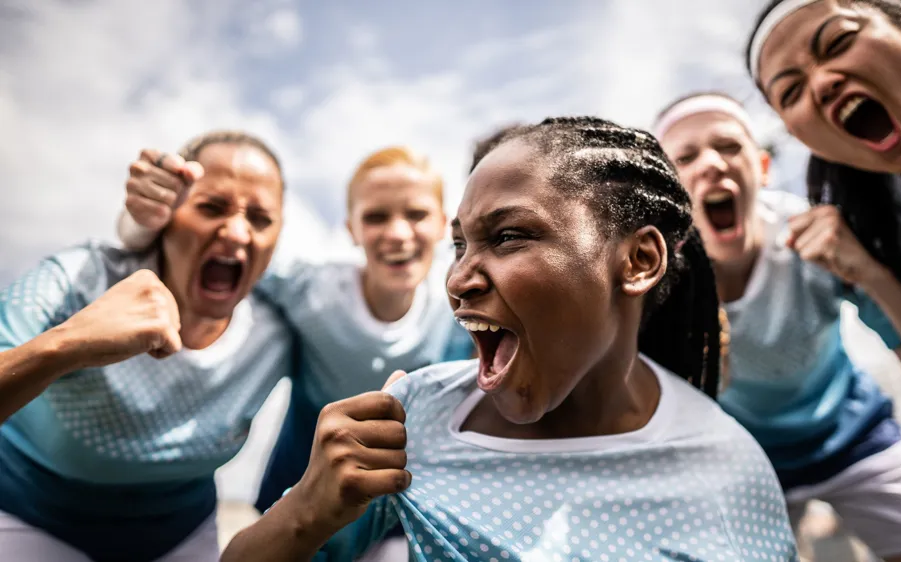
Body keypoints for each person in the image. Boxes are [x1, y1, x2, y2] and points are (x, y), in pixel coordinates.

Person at [218, 116, 800, 562]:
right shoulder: (418, 419)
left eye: (508, 236)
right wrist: (309, 508)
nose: (457, 280)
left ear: (638, 260)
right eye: (460, 246)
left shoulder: (727, 473)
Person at [654, 92, 901, 561]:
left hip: (853, 434)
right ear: (668, 195)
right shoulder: (658, 280)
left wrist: (870, 272)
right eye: (686, 157)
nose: (711, 164)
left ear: (762, 168)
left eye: (729, 147)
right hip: (737, 459)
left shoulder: (814, 237)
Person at [117, 146, 473, 515]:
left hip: (399, 501)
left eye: (416, 214)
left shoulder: (458, 308)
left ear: (443, 225)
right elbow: (220, 256)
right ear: (351, 229)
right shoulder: (310, 293)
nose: (397, 233)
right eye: (375, 217)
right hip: (295, 495)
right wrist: (140, 223)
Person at [0, 131, 294, 561]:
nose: (236, 232)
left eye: (260, 219)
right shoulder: (79, 281)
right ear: (165, 215)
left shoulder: (282, 326)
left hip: (180, 535)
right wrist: (69, 343)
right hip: (29, 513)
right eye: (211, 207)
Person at [746, 0, 901, 379]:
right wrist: (872, 275)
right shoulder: (863, 235)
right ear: (798, 135)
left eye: (838, 42)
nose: (822, 84)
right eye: (792, 92)